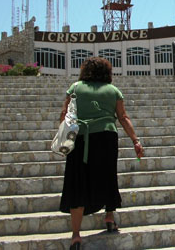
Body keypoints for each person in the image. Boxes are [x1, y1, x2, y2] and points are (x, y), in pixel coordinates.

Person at [59, 57, 144, 249]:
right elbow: (123, 117)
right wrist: (135, 141)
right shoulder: (113, 91)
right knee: (107, 177)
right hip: (106, 137)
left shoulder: (75, 88)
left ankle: (76, 235)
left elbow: (65, 114)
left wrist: (63, 137)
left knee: (77, 182)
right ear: (107, 72)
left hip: (80, 138)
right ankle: (109, 217)